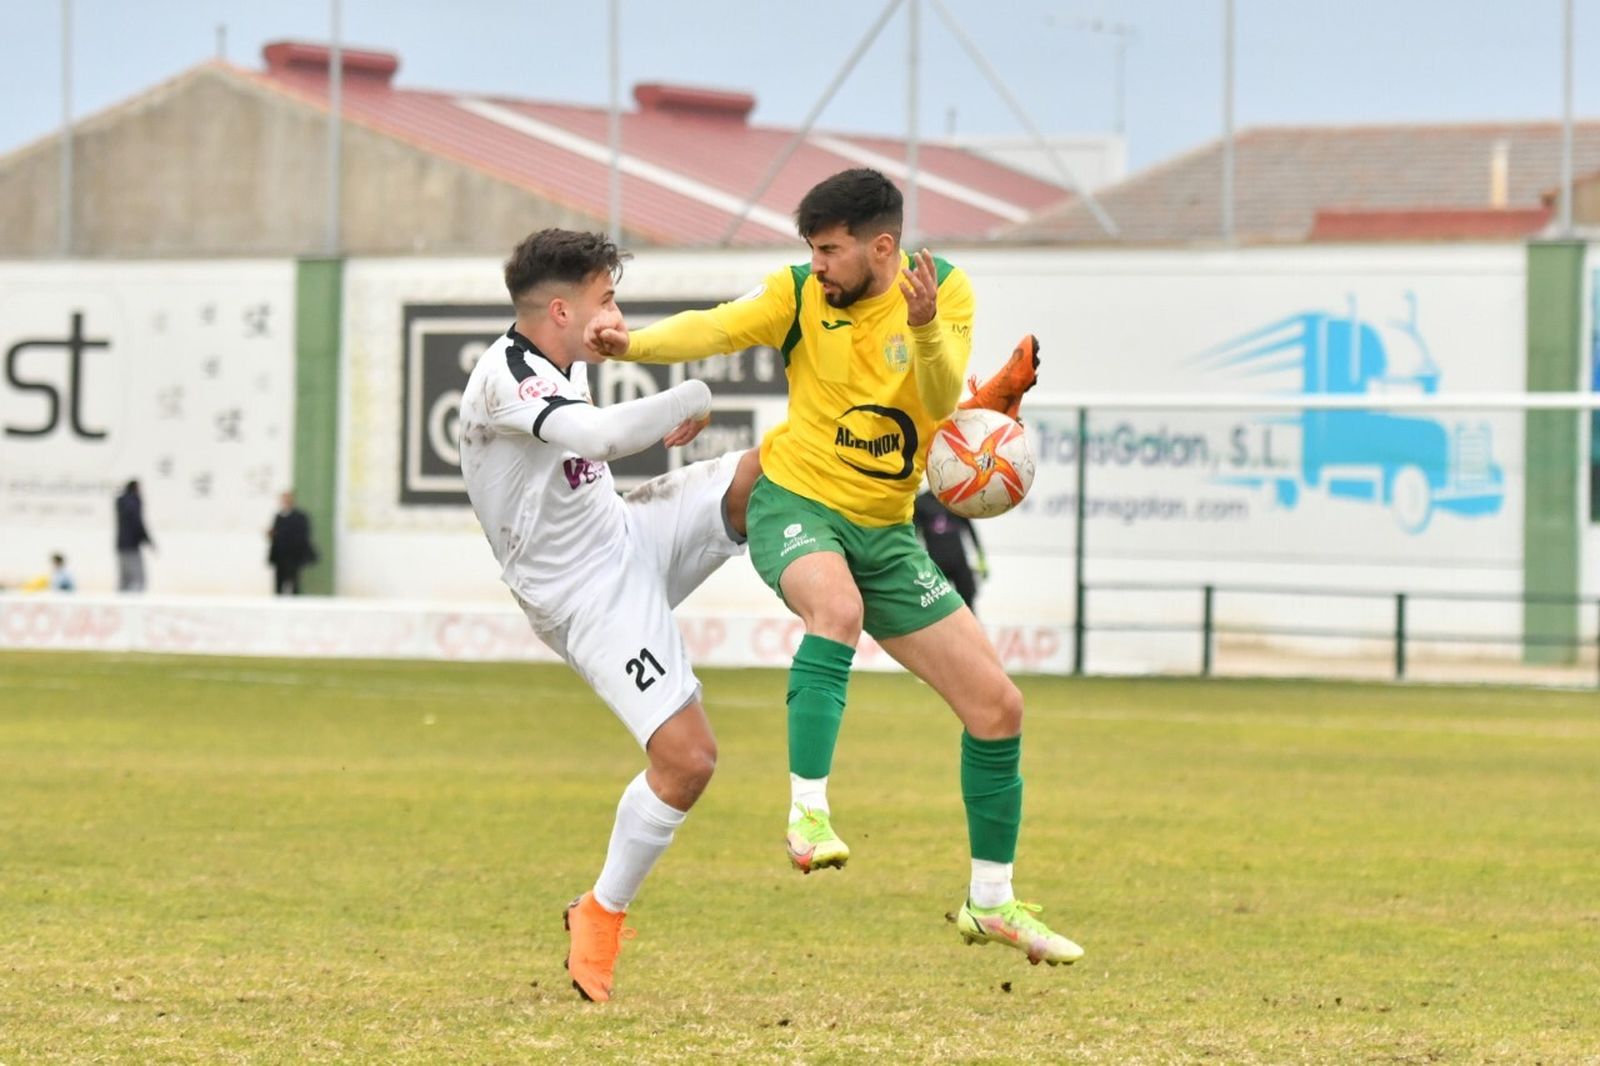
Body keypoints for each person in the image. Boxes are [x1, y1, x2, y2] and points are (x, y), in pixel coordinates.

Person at [587, 168, 1078, 966]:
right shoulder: (796, 293)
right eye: (812, 250)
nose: (817, 265)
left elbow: (941, 391)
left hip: (888, 531)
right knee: (836, 613)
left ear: (881, 247)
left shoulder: (942, 291)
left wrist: (922, 328)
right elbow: (717, 328)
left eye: (831, 250)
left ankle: (991, 901)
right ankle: (807, 813)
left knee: (998, 706)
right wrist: (632, 343)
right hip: (797, 502)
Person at [457, 228, 760, 1003]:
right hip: (584, 596)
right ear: (561, 310)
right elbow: (596, 435)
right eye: (607, 300)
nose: (616, 315)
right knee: (689, 760)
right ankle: (600, 911)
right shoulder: (503, 377)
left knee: (770, 470)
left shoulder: (558, 363)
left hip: (627, 535)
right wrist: (689, 397)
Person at [912, 490, 987, 615]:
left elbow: (971, 531)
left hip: (959, 562)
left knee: (969, 607)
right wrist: (916, 565)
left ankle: (968, 632)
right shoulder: (921, 502)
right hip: (936, 564)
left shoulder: (955, 500)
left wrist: (982, 560)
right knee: (935, 610)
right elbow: (913, 534)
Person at [267, 491, 318, 595]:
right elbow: (276, 533)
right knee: (279, 583)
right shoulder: (279, 516)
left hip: (293, 555)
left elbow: (304, 535)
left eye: (288, 498)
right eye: (284, 499)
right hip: (280, 555)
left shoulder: (300, 516)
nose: (285, 501)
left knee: (294, 582)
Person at [115, 480, 154, 592]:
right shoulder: (133, 502)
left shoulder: (120, 501)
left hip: (121, 545)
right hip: (132, 545)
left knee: (125, 579)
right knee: (137, 579)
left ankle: (121, 604)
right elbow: (137, 522)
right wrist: (147, 539)